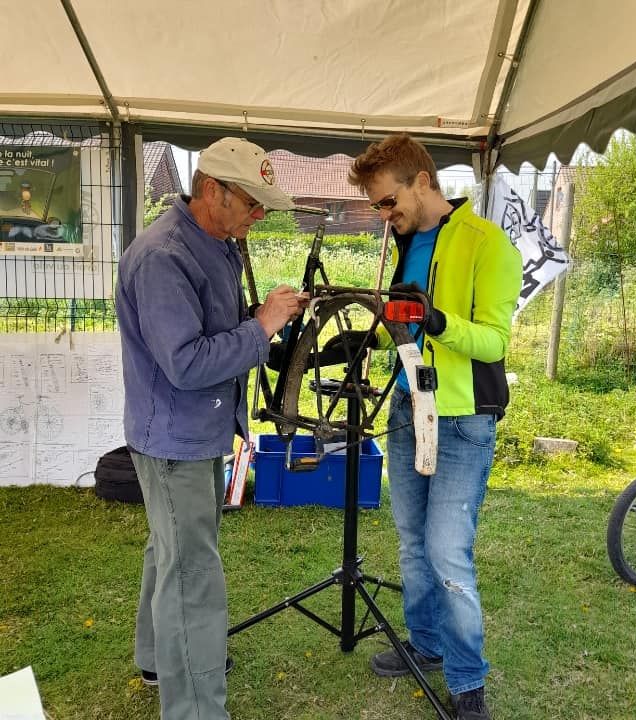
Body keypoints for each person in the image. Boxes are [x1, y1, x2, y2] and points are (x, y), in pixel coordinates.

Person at [115, 137, 307, 720]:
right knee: (192, 574)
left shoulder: (213, 242)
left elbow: (207, 331)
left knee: (170, 550)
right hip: (176, 438)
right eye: (251, 203)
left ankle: (156, 658)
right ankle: (195, 709)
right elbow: (188, 363)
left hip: (187, 432)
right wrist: (263, 328)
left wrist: (255, 318)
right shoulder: (165, 256)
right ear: (210, 191)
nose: (258, 214)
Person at [347, 133, 522, 720]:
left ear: (422, 181)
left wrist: (438, 320)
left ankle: (468, 682)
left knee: (449, 553)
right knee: (412, 541)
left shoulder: (488, 245)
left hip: (462, 421)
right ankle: (424, 645)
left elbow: (495, 340)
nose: (383, 214)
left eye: (387, 201)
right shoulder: (404, 241)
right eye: (376, 206)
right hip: (405, 407)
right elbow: (401, 325)